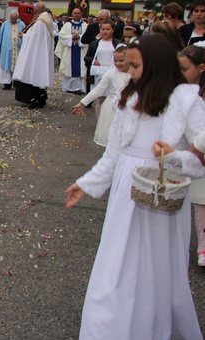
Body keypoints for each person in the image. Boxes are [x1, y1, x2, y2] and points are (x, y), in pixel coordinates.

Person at [64, 35, 205, 339]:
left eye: (137, 66)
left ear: (156, 64)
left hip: (163, 191)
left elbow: (199, 160)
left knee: (157, 265)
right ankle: (109, 326)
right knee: (117, 261)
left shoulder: (185, 101)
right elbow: (113, 153)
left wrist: (174, 155)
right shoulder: (128, 98)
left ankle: (152, 325)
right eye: (129, 66)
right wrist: (86, 183)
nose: (131, 72)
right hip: (127, 190)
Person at [72, 44, 130, 146]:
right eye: (115, 60)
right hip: (112, 108)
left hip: (129, 109)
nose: (118, 63)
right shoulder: (110, 73)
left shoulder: (135, 74)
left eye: (121, 61)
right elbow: (98, 90)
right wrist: (82, 103)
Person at [179, 45, 205, 267]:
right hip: (189, 156)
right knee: (197, 202)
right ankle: (201, 247)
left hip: (199, 150)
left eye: (185, 69)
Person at [13, 2, 56, 109]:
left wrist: (24, 36)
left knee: (34, 74)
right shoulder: (47, 18)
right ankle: (41, 98)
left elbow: (34, 37)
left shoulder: (41, 21)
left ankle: (36, 100)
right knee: (40, 75)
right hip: (42, 52)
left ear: (36, 10)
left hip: (37, 53)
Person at [83, 19, 121, 116]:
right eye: (103, 29)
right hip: (99, 74)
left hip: (113, 73)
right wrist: (93, 60)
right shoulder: (95, 44)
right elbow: (87, 57)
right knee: (100, 98)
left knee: (113, 97)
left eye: (108, 29)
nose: (105, 31)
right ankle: (99, 121)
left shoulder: (117, 44)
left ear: (112, 30)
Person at [55, 7, 88, 94]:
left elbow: (88, 37)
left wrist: (80, 37)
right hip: (69, 50)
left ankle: (79, 88)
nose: (77, 15)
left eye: (78, 13)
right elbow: (61, 36)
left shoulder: (85, 25)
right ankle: (68, 88)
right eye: (75, 13)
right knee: (68, 68)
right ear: (72, 14)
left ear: (81, 14)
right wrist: (71, 37)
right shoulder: (67, 25)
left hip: (80, 50)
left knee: (80, 68)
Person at [0, 10, 25, 90]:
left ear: (17, 17)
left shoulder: (22, 24)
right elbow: (0, 35)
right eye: (12, 19)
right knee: (6, 66)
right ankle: (7, 83)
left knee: (18, 66)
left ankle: (17, 83)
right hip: (6, 50)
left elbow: (25, 35)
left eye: (15, 19)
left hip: (18, 49)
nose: (13, 20)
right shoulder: (5, 24)